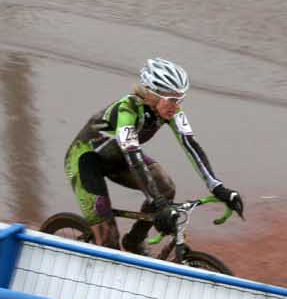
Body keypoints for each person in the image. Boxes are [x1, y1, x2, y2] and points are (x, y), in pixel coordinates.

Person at [64, 57, 244, 252]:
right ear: (152, 93)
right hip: (85, 162)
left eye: (181, 99)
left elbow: (191, 146)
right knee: (109, 243)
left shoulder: (170, 112)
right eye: (172, 99)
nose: (176, 106)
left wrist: (218, 187)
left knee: (165, 187)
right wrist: (157, 203)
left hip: (118, 159)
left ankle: (134, 240)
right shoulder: (126, 111)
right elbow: (133, 157)